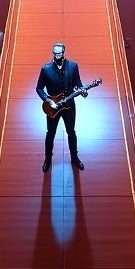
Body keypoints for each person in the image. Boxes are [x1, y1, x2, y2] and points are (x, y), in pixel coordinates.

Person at [36, 42, 86, 172]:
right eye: (54, 53)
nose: (57, 55)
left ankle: (74, 158)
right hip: (53, 107)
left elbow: (78, 83)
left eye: (59, 53)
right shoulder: (46, 69)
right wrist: (48, 100)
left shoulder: (73, 66)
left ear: (64, 52)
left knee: (71, 132)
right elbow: (39, 88)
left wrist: (82, 90)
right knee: (50, 133)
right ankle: (48, 159)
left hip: (69, 106)